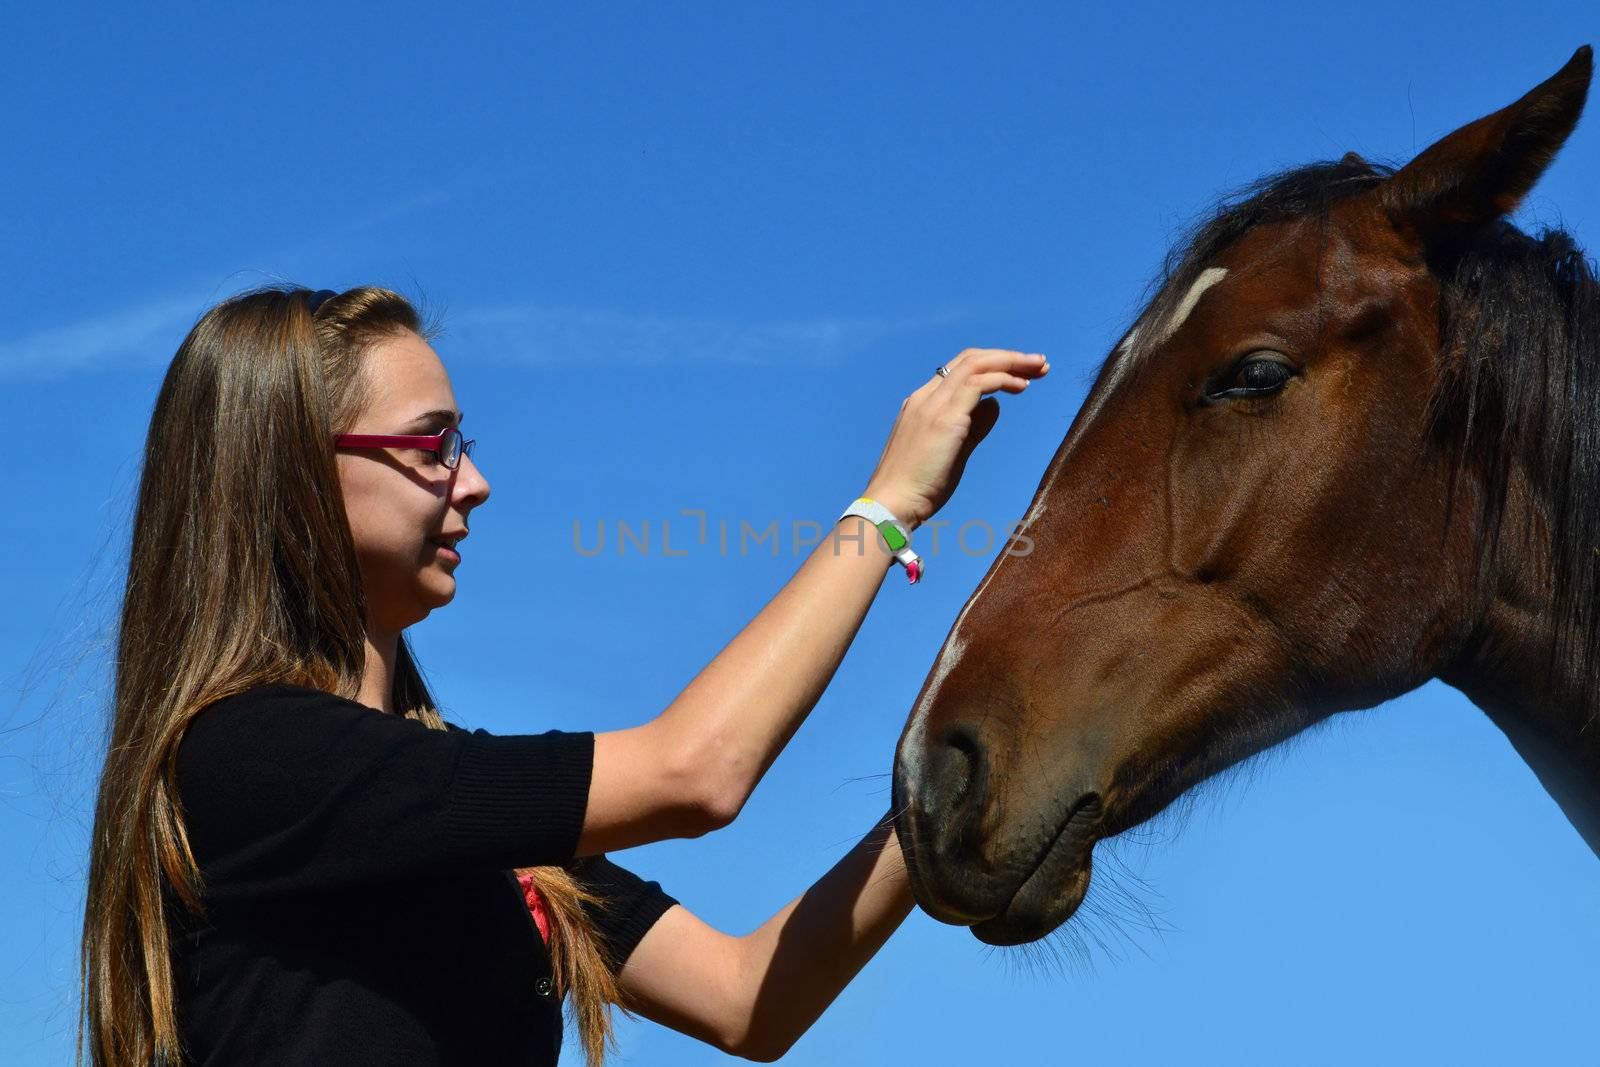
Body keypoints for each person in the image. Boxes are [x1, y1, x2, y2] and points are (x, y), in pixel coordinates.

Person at [78, 285, 1049, 1066]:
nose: (473, 480)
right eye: (430, 445)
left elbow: (748, 997)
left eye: (464, 444)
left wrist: (948, 792)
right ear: (291, 470)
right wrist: (884, 508)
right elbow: (696, 771)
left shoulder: (448, 796)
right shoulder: (251, 756)